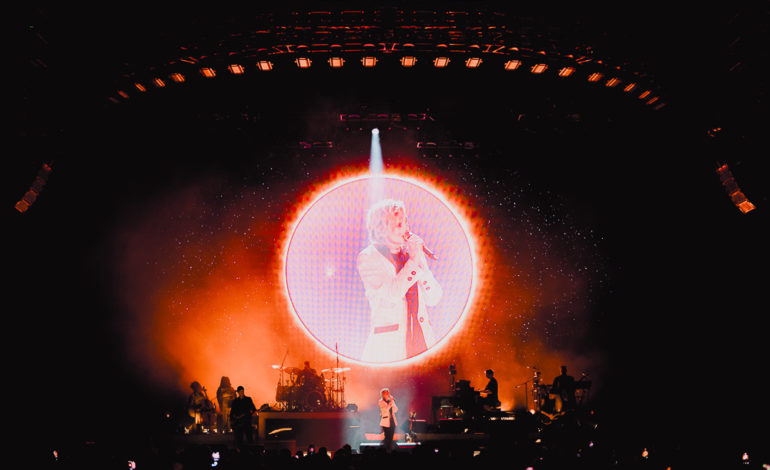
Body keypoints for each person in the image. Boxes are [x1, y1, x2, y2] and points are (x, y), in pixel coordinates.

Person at [357, 199, 443, 362]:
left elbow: (434, 298)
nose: (406, 228)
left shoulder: (411, 254)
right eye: (399, 224)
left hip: (423, 343)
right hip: (389, 350)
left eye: (406, 221)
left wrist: (420, 261)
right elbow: (391, 294)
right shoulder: (368, 257)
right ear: (382, 229)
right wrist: (414, 261)